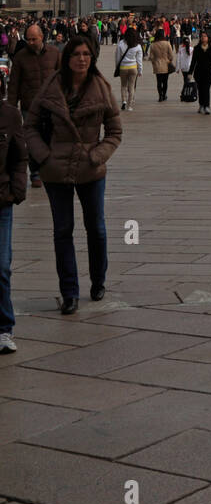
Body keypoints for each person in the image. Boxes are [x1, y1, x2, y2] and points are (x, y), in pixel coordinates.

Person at [25, 36, 122, 314]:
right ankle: (69, 292)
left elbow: (115, 132)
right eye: (77, 54)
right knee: (62, 231)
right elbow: (29, 126)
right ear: (67, 58)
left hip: (90, 169)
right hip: (56, 169)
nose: (82, 59)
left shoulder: (101, 88)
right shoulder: (51, 87)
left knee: (97, 228)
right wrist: (44, 156)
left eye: (87, 55)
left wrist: (97, 155)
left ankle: (98, 279)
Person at [7, 21, 61, 189]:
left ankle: (50, 168)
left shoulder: (54, 53)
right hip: (29, 106)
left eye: (33, 39)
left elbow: (62, 79)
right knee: (32, 140)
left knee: (52, 137)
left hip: (51, 105)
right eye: (28, 39)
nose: (30, 42)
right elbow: (14, 85)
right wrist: (10, 109)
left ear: (41, 37)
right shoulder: (20, 57)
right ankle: (35, 172)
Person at [0, 70, 28, 352]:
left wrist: (16, 190)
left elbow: (20, 156)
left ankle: (4, 328)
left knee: (1, 265)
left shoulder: (10, 115)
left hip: (2, 199)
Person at [114, 26, 143, 111]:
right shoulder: (137, 45)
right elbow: (139, 60)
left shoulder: (121, 43)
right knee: (131, 86)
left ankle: (124, 101)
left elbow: (117, 57)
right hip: (133, 67)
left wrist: (117, 67)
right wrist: (140, 70)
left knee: (123, 85)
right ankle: (129, 106)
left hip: (123, 67)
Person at [190, 31, 211, 113]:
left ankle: (207, 106)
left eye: (205, 36)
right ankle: (201, 105)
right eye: (202, 36)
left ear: (208, 38)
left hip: (208, 72)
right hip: (198, 72)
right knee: (200, 89)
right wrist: (190, 73)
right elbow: (193, 61)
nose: (203, 38)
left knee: (206, 89)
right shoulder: (196, 48)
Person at [149, 31, 175, 101]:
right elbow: (171, 55)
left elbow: (151, 57)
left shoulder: (153, 45)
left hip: (157, 65)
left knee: (159, 82)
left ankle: (160, 96)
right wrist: (169, 60)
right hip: (166, 65)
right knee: (165, 81)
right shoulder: (167, 43)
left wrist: (154, 62)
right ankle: (164, 94)